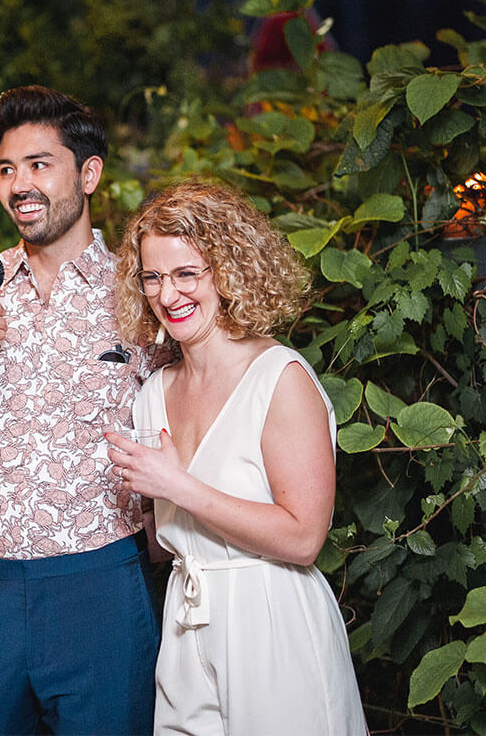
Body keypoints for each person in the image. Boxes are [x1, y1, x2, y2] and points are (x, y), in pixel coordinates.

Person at [0, 85, 161, 735]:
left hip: (102, 587)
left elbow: (180, 429)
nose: (20, 184)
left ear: (88, 173)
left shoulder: (140, 293)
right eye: (7, 169)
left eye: (40, 164)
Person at [106, 180, 368, 735]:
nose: (167, 294)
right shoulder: (155, 390)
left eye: (185, 274)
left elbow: (303, 538)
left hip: (272, 621)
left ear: (227, 272)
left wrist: (177, 487)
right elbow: (167, 540)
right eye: (152, 277)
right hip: (185, 622)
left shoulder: (280, 378)